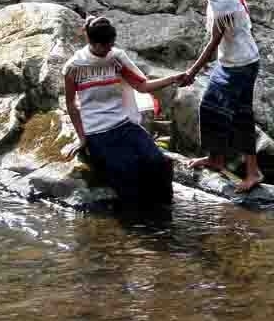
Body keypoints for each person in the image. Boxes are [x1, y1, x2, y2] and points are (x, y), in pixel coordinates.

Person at [63, 15, 185, 207]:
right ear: (92, 42)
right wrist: (82, 138)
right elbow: (71, 103)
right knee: (127, 172)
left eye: (111, 45)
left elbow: (142, 86)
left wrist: (173, 79)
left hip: (123, 124)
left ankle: (165, 212)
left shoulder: (116, 58)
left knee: (158, 162)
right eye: (105, 46)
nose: (109, 50)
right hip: (97, 132)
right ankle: (136, 224)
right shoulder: (74, 67)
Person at [179, 0, 264, 193]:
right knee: (212, 108)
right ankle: (216, 159)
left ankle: (252, 172)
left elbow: (215, 39)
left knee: (239, 116)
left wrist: (192, 71)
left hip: (241, 64)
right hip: (233, 60)